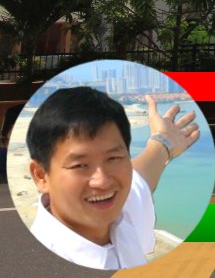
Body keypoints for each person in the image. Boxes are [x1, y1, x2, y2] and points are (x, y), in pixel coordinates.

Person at [25, 87, 201, 269]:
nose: (102, 181)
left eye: (113, 158)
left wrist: (164, 141)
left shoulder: (120, 214)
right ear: (41, 176)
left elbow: (141, 178)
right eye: (80, 165)